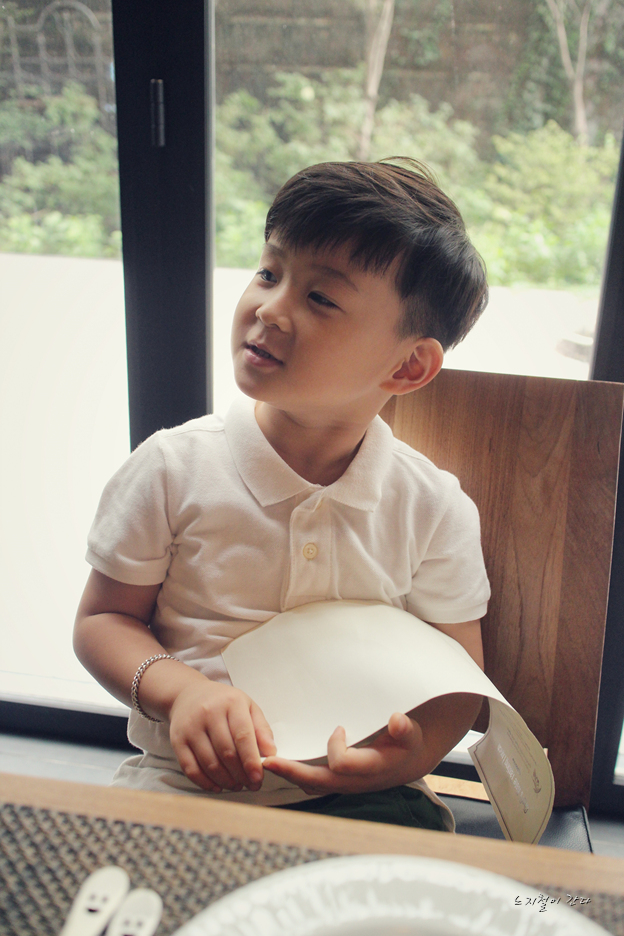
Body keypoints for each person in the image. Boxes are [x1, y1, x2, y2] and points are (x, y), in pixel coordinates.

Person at [73, 158, 490, 832]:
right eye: (270, 272)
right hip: (182, 783)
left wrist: (409, 755)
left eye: (320, 298)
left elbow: (458, 676)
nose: (269, 307)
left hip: (368, 798)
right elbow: (102, 621)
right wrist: (181, 694)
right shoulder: (172, 467)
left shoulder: (435, 508)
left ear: (409, 365)